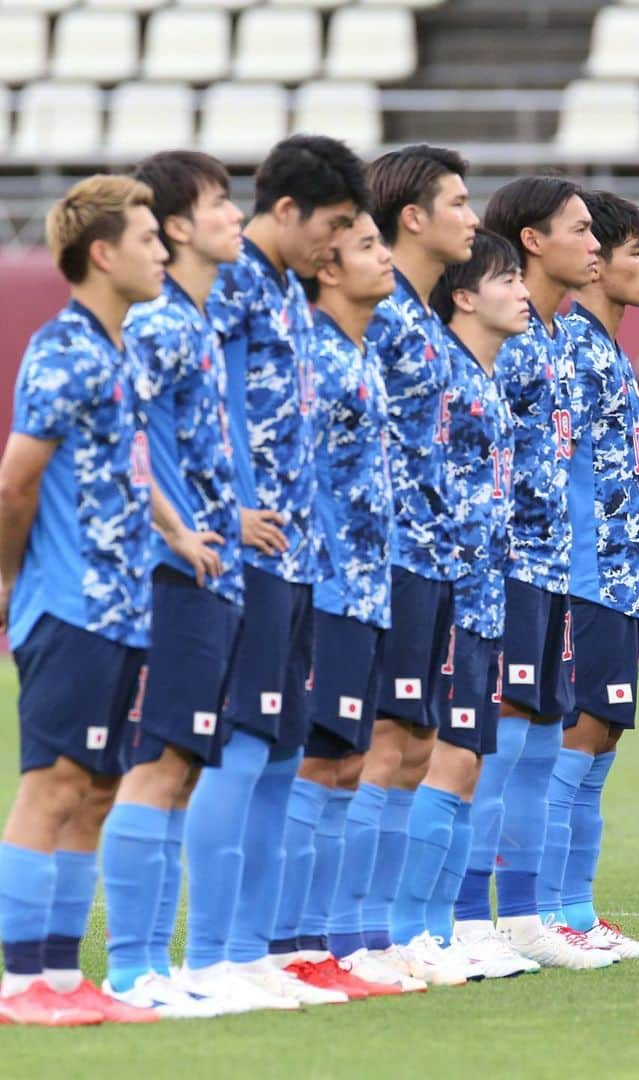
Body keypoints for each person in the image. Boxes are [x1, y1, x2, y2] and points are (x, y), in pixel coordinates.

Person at [0, 175, 210, 1024]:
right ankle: (18, 981)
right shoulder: (63, 350)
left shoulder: (115, 348)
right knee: (50, 785)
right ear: (102, 253)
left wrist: (176, 531)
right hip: (70, 604)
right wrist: (10, 580)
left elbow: (127, 465)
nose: (163, 252)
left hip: (123, 607)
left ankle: (59, 977)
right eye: (148, 239)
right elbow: (16, 483)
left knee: (94, 788)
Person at [177, 135, 365, 1008]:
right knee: (244, 749)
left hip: (300, 558)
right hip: (248, 553)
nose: (335, 244)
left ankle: (252, 950)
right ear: (284, 211)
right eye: (330, 225)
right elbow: (192, 404)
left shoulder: (286, 288)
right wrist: (224, 514)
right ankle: (207, 955)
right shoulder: (232, 283)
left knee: (284, 751)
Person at [98, 151, 256, 1017]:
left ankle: (160, 968)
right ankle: (134, 969)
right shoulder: (158, 322)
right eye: (220, 204)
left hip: (209, 569)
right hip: (170, 572)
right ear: (179, 229)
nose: (237, 216)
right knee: (158, 764)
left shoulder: (196, 317)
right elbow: (118, 429)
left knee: (184, 765)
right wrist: (174, 527)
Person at [454, 177, 612, 970]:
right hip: (506, 568)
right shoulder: (504, 339)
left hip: (554, 572)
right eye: (580, 230)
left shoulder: (555, 337)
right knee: (502, 742)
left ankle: (520, 917)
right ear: (530, 241)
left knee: (544, 743)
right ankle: (463, 918)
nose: (596, 244)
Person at [264, 215, 413, 996]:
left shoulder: (361, 353)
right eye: (365, 248)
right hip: (320, 586)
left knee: (347, 762)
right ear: (326, 268)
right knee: (317, 758)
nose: (383, 257)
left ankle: (316, 941)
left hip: (366, 586)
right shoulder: (313, 356)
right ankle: (284, 942)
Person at [356, 145, 479, 988]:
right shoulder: (383, 311)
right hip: (390, 559)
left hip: (432, 561)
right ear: (413, 217)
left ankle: (389, 933)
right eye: (459, 203)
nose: (475, 219)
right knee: (380, 745)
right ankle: (351, 935)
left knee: (415, 743)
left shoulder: (421, 315)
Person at [535, 190, 639, 960]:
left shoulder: (609, 352)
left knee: (603, 740)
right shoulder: (569, 349)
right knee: (575, 741)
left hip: (617, 579)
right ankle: (548, 911)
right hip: (579, 578)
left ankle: (577, 912)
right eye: (632, 251)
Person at [419, 228, 539, 979]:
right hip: (446, 598)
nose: (522, 291)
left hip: (484, 598)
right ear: (464, 295)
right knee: (438, 762)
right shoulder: (444, 377)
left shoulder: (487, 378)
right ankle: (420, 932)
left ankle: (444, 929)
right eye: (505, 281)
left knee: (465, 764)